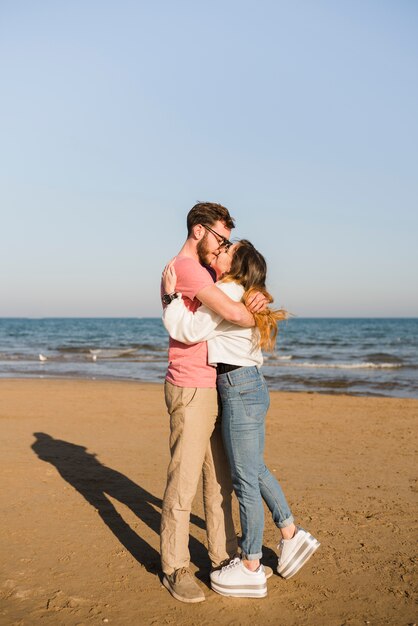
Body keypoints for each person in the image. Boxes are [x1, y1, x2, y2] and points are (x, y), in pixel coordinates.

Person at [162, 239, 320, 599]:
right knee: (254, 469)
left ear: (237, 262)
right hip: (250, 385)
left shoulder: (226, 288)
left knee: (245, 479)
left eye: (229, 248)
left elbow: (188, 330)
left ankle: (250, 564)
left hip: (236, 386)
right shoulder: (245, 290)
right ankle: (291, 535)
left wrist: (170, 298)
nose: (222, 249)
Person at [159, 203, 268, 604]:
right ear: (199, 230)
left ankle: (222, 558)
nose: (222, 246)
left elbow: (232, 304)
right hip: (190, 387)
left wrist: (251, 299)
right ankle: (175, 567)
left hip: (214, 385)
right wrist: (254, 308)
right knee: (184, 482)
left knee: (219, 481)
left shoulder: (207, 271)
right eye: (220, 238)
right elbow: (231, 314)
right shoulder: (185, 269)